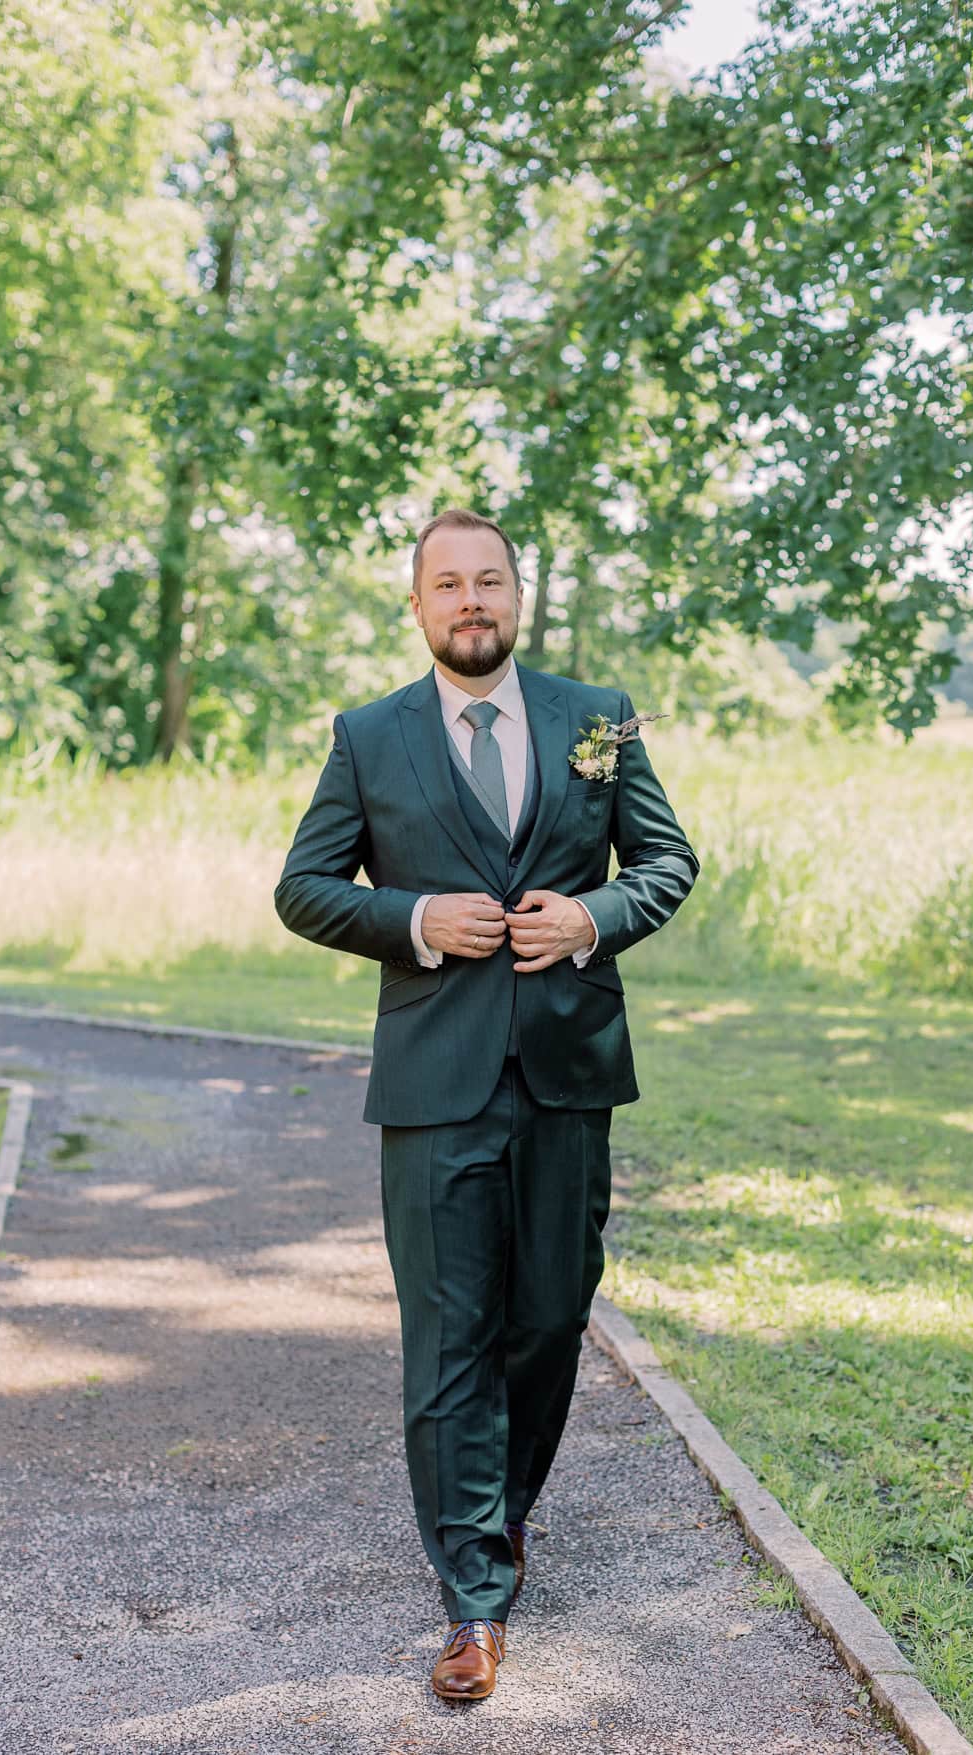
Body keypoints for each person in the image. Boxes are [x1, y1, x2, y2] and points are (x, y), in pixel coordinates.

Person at [274, 507, 699, 1703]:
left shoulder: (597, 721)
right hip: (433, 1083)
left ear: (520, 596)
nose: (472, 602)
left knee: (552, 1316)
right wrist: (411, 921)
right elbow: (303, 888)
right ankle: (472, 1594)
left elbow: (667, 862)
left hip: (569, 1070)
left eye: (491, 582)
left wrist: (592, 917)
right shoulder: (369, 737)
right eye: (448, 585)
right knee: (450, 1335)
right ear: (416, 607)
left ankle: (499, 1516)